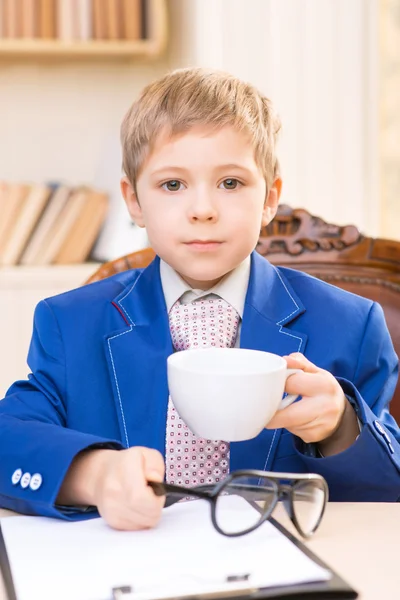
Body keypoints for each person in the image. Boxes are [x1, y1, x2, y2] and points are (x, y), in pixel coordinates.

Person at [0, 68, 399, 531]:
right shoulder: (70, 324)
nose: (203, 209)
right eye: (173, 185)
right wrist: (93, 475)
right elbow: (9, 440)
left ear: (269, 198)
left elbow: (389, 488)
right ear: (134, 201)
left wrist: (340, 427)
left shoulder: (352, 325)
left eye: (231, 183)